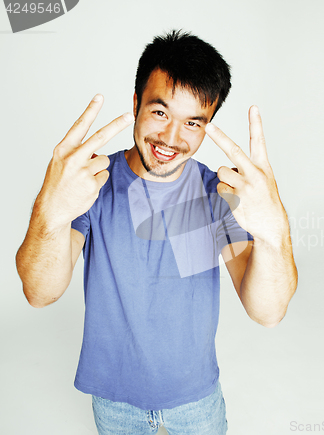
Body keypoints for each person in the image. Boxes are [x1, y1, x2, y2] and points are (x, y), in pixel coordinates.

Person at [15, 29, 297, 435]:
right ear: (136, 104)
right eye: (160, 113)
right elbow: (39, 293)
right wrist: (50, 209)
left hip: (196, 399)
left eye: (193, 122)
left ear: (208, 126)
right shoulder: (92, 183)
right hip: (113, 400)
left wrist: (275, 233)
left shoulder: (218, 192)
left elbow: (267, 312)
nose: (171, 139)